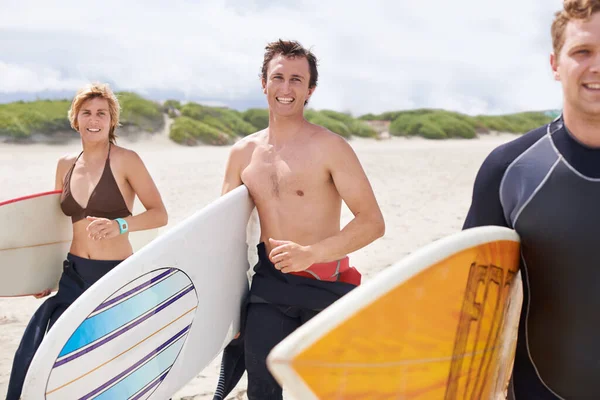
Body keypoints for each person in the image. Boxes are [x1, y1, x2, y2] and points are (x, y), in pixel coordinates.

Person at [212, 39, 385, 400]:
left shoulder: (330, 147)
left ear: (310, 90)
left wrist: (312, 253)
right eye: (278, 77)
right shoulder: (243, 153)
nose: (286, 88)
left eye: (296, 80)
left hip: (327, 285)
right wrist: (230, 305)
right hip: (268, 287)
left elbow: (371, 221)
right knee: (261, 390)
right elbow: (224, 234)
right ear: (264, 83)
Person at [463, 1, 600, 398]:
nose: (596, 66)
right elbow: (470, 303)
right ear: (555, 64)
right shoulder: (510, 170)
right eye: (582, 52)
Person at [6, 82, 168, 399]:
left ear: (111, 121)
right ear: (75, 118)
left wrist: (120, 224)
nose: (94, 120)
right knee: (51, 361)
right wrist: (45, 274)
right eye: (87, 113)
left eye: (102, 114)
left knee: (114, 365)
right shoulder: (65, 165)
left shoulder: (126, 160)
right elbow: (59, 228)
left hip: (115, 277)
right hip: (73, 276)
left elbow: (159, 213)